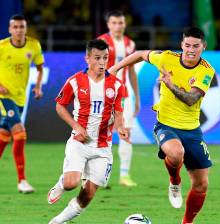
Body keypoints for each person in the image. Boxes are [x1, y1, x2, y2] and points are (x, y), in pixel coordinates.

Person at [109, 27, 214, 224]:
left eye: (196, 46)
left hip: (192, 130)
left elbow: (191, 99)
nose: (191, 50)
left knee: (201, 185)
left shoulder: (206, 71)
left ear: (203, 47)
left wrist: (170, 84)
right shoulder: (166, 58)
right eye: (187, 45)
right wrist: (116, 68)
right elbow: (140, 54)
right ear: (182, 45)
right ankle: (175, 181)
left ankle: (186, 222)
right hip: (166, 125)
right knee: (176, 153)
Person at [47, 39, 129, 224]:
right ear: (87, 59)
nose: (102, 62)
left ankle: (58, 221)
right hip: (79, 142)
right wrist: (76, 126)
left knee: (88, 194)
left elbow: (118, 112)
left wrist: (121, 127)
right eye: (97, 58)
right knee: (71, 184)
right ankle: (61, 183)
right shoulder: (75, 81)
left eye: (105, 58)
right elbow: (60, 106)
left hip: (103, 148)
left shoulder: (117, 85)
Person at [0, 14, 44, 194]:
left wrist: (37, 87)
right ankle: (22, 181)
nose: (19, 30)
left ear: (25, 29)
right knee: (19, 133)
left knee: (4, 137)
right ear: (10, 29)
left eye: (22, 27)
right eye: (16, 27)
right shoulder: (0, 47)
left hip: (20, 98)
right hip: (2, 96)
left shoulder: (34, 45)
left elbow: (40, 67)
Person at [97, 10, 140, 187]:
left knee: (126, 133)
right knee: (99, 134)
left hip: (123, 95)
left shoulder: (130, 44)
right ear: (108, 25)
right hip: (102, 95)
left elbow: (131, 73)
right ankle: (98, 175)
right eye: (114, 23)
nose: (118, 26)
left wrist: (137, 97)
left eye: (120, 22)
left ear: (125, 24)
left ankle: (124, 175)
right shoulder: (100, 42)